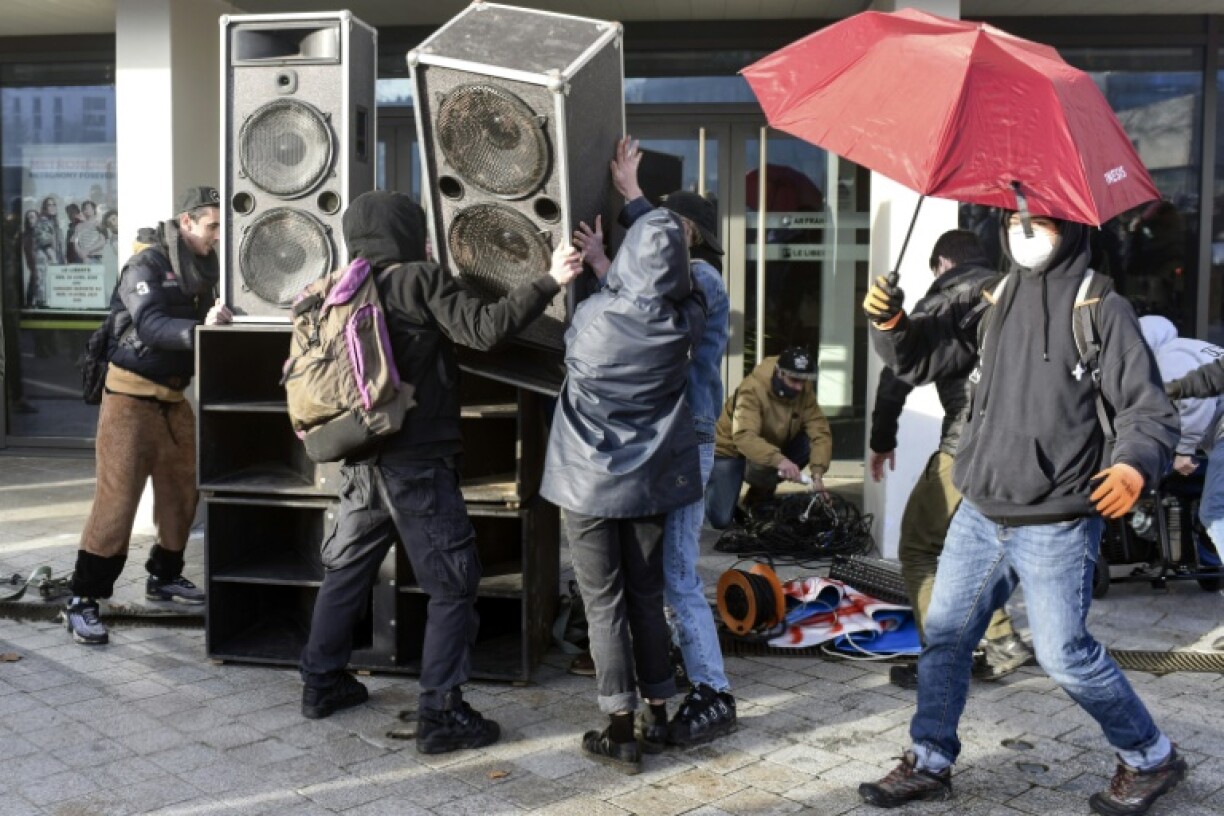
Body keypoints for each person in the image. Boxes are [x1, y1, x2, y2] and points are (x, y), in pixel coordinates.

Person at [858, 211, 1186, 815]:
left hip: (1058, 517)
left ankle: (1150, 755)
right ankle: (929, 759)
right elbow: (925, 359)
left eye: (1038, 219)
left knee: (1065, 653)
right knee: (948, 640)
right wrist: (893, 324)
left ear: (1071, 227)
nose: (1022, 229)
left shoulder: (1100, 307)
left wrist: (1135, 465)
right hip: (981, 511)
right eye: (1014, 217)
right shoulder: (994, 296)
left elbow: (1148, 408)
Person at [298, 191, 583, 756]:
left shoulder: (339, 287)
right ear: (405, 233)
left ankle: (322, 682)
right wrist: (550, 279)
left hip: (360, 456)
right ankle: (441, 712)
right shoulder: (418, 280)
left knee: (347, 570)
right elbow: (483, 329)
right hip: (418, 463)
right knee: (453, 585)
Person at [571, 135, 736, 747]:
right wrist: (600, 268)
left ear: (686, 233)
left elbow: (659, 313)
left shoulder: (705, 278)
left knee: (674, 575)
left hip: (685, 437)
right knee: (656, 578)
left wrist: (636, 197)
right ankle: (675, 688)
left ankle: (715, 692)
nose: (655, 237)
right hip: (665, 440)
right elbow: (644, 306)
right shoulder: (681, 278)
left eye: (667, 228)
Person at [542, 209, 706, 774]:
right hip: (650, 483)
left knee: (602, 602)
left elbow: (596, 317)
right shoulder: (686, 322)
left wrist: (596, 264)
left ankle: (619, 731)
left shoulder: (590, 317)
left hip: (587, 481)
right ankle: (657, 714)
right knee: (645, 595)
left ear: (627, 258)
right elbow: (680, 286)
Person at [63, 185, 232, 646]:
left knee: (182, 495)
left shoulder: (208, 264)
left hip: (175, 400)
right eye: (213, 225)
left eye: (222, 226)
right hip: (129, 401)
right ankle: (82, 600)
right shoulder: (146, 264)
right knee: (116, 503)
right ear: (187, 223)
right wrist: (203, 328)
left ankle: (163, 577)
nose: (219, 235)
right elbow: (152, 326)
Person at [868, 230, 1032, 690]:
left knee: (920, 547)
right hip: (1024, 447)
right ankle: (1001, 639)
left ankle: (940, 662)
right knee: (974, 543)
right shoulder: (1014, 291)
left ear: (942, 262)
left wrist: (882, 439)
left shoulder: (946, 299)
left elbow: (898, 372)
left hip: (970, 442)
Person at [704, 347, 832, 530]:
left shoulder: (804, 391)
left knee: (806, 444)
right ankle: (711, 489)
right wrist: (781, 461)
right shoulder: (752, 389)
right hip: (730, 451)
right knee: (721, 520)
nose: (799, 387)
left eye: (804, 381)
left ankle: (758, 496)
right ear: (780, 373)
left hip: (766, 449)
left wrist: (817, 476)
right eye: (794, 380)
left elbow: (820, 432)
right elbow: (744, 436)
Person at [1140, 316, 1224, 570]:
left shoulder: (1168, 357)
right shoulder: (1189, 346)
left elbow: (1196, 400)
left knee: (1215, 512)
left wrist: (1184, 449)